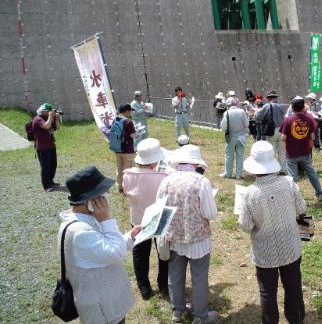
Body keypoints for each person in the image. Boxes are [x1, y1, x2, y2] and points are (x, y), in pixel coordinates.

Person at [58, 166, 142, 324]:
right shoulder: (80, 232)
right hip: (103, 310)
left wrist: (129, 237)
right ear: (89, 200)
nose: (105, 197)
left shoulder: (84, 219)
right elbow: (115, 252)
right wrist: (106, 219)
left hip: (105, 302)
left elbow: (103, 250)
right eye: (101, 194)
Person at [238, 141, 306, 324]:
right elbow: (302, 208)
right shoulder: (289, 183)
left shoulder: (249, 194)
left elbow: (245, 226)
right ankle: (296, 318)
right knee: (293, 285)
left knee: (267, 290)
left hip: (265, 250)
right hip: (290, 245)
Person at [156, 145, 219, 324]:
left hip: (174, 236)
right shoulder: (201, 181)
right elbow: (210, 213)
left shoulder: (167, 180)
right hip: (197, 237)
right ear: (195, 162)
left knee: (174, 273)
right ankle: (200, 315)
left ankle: (177, 311)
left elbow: (158, 207)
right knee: (199, 276)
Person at [123, 138, 171, 300]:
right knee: (163, 251)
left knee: (140, 253)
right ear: (153, 162)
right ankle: (164, 284)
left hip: (137, 218)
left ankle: (144, 286)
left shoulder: (127, 174)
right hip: (159, 219)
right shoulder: (162, 177)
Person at [280, 97, 322, 201]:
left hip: (291, 152)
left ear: (292, 108)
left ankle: (293, 197)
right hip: (305, 152)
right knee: (311, 173)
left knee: (292, 176)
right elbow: (313, 137)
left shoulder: (288, 120)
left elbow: (283, 138)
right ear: (303, 107)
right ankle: (320, 194)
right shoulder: (309, 118)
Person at [255, 90, 286, 173]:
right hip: (282, 130)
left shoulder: (267, 106)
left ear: (268, 98)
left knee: (272, 151)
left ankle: (274, 170)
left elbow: (258, 118)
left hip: (272, 130)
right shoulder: (282, 106)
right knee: (282, 151)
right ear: (276, 98)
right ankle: (283, 169)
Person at [33, 102, 60, 192]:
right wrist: (51, 116)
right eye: (49, 111)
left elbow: (58, 128)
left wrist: (56, 118)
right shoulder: (37, 119)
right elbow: (46, 126)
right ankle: (46, 185)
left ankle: (50, 181)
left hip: (51, 145)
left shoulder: (47, 118)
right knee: (45, 166)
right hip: (42, 147)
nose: (50, 112)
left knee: (53, 164)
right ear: (43, 111)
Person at [220, 97, 249, 179]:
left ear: (228, 105)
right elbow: (246, 124)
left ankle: (228, 174)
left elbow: (223, 127)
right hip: (241, 136)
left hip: (231, 137)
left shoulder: (227, 113)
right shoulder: (242, 111)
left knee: (229, 155)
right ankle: (238, 174)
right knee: (240, 156)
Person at [114, 104, 138, 194]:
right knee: (128, 169)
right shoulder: (128, 121)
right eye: (130, 111)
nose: (131, 113)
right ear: (127, 111)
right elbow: (133, 135)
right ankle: (126, 188)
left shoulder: (115, 120)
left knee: (119, 168)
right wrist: (138, 132)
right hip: (127, 150)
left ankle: (120, 186)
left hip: (117, 148)